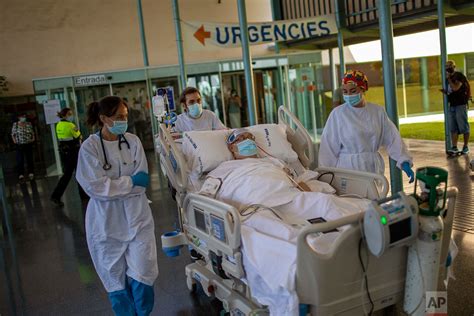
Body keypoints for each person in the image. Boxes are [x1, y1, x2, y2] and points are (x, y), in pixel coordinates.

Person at [76, 96, 158, 315]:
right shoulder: (89, 147)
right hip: (106, 224)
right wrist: (129, 182)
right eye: (119, 117)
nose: (124, 120)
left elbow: (143, 182)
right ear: (104, 118)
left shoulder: (133, 141)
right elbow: (95, 187)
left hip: (137, 217)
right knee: (115, 279)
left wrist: (114, 186)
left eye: (125, 116)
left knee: (143, 271)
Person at [318, 70, 415, 183]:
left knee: (375, 198)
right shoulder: (338, 114)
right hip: (348, 169)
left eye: (353, 91)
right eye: (345, 91)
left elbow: (392, 138)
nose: (349, 95)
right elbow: (328, 148)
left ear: (363, 89)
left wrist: (404, 160)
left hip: (372, 167)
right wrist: (325, 177)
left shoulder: (377, 111)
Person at [50, 108, 84, 206]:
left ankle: (56, 196)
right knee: (79, 173)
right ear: (65, 115)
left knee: (67, 175)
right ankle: (83, 195)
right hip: (74, 152)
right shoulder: (70, 125)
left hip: (65, 152)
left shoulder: (59, 125)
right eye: (70, 114)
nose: (71, 116)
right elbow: (79, 137)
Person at [441, 60, 471, 154]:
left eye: (450, 66)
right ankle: (454, 147)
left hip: (460, 104)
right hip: (452, 105)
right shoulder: (447, 79)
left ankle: (465, 146)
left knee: (463, 126)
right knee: (453, 127)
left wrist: (449, 79)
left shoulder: (459, 76)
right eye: (446, 66)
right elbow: (451, 91)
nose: (448, 68)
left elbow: (455, 88)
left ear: (454, 66)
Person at [11, 113, 35, 181]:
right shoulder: (15, 125)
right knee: (20, 160)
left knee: (29, 159)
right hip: (19, 145)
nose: (23, 118)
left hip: (28, 144)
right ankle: (21, 174)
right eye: (22, 117)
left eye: (24, 117)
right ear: (19, 117)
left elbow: (32, 132)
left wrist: (33, 138)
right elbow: (13, 134)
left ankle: (31, 173)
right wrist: (14, 141)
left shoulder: (28, 124)